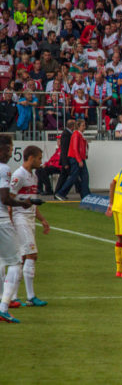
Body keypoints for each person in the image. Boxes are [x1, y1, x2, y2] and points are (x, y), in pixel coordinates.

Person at [9, 146, 50, 307]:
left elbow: (32, 202)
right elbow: (8, 200)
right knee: (31, 255)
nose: (41, 161)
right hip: (20, 219)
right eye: (39, 158)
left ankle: (14, 297)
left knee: (23, 258)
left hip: (30, 219)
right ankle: (30, 296)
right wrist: (11, 222)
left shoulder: (33, 176)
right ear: (31, 158)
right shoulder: (18, 175)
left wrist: (43, 220)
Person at [0, 135, 32, 323]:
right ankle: (4, 306)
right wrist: (22, 203)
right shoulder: (4, 169)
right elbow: (4, 198)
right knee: (15, 263)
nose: (11, 154)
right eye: (9, 150)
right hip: (2, 220)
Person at [55, 119, 90, 200]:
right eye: (83, 125)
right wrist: (79, 159)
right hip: (76, 158)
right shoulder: (76, 134)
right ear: (79, 126)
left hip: (79, 158)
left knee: (83, 177)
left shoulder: (78, 134)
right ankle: (61, 192)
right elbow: (75, 148)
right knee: (76, 177)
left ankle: (86, 195)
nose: (84, 127)